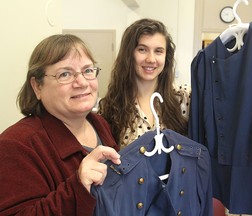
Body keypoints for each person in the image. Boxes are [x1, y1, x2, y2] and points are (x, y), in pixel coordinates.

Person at [0, 34, 121, 215]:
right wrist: (78, 186)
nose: (81, 82)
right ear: (37, 86)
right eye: (65, 74)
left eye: (88, 70)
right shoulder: (16, 144)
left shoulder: (100, 124)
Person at [98, 18, 191, 148]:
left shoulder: (184, 97)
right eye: (142, 49)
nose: (151, 59)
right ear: (129, 54)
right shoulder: (110, 107)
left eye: (158, 51)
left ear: (166, 56)